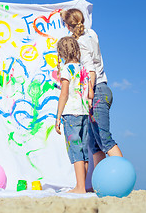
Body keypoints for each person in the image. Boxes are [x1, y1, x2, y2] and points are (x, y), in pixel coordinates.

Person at [60, 9, 123, 169]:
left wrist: (89, 94)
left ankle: (123, 175)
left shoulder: (80, 42)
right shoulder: (92, 34)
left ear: (68, 26)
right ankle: (99, 183)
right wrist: (65, 16)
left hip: (96, 91)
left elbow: (90, 71)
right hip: (103, 90)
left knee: (105, 139)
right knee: (94, 143)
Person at [55, 36, 93, 194]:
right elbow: (90, 92)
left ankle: (79, 187)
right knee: (83, 150)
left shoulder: (66, 69)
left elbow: (64, 94)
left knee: (75, 150)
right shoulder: (83, 68)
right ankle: (82, 186)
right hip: (84, 113)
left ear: (61, 53)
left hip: (71, 113)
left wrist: (58, 117)